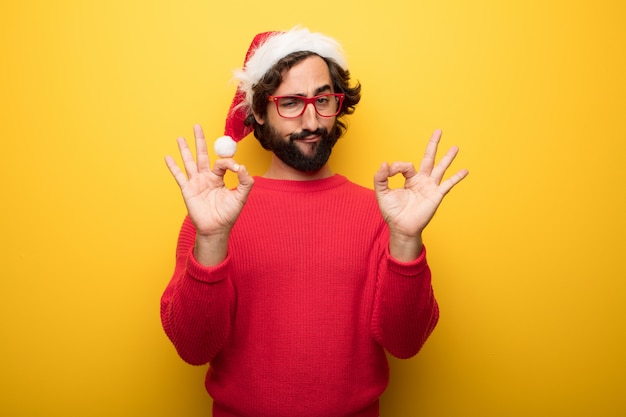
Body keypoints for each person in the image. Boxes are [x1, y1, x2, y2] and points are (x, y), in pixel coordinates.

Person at [161, 27, 468, 417]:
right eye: (291, 102)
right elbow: (193, 348)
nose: (312, 120)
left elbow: (405, 343)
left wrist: (406, 239)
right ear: (258, 111)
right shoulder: (213, 215)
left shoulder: (382, 212)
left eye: (323, 99)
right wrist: (210, 239)